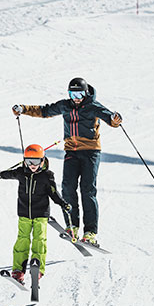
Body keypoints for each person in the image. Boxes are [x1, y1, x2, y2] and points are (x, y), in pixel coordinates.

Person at [12, 77, 122, 247]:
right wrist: (24, 109)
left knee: (88, 190)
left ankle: (90, 232)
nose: (76, 97)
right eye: (72, 93)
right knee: (67, 187)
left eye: (79, 93)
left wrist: (115, 120)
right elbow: (45, 111)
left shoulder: (93, 106)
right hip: (71, 151)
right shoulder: (65, 105)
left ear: (86, 93)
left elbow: (110, 119)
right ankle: (72, 225)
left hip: (90, 152)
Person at [0, 144, 71, 283]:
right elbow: (9, 174)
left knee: (39, 240)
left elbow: (54, 193)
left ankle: (38, 269)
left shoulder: (47, 176)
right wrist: (0, 175)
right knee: (22, 240)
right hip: (24, 213)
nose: (32, 165)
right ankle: (18, 270)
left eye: (35, 162)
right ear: (24, 161)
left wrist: (63, 203)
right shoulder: (21, 172)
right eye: (29, 162)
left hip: (41, 214)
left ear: (42, 161)